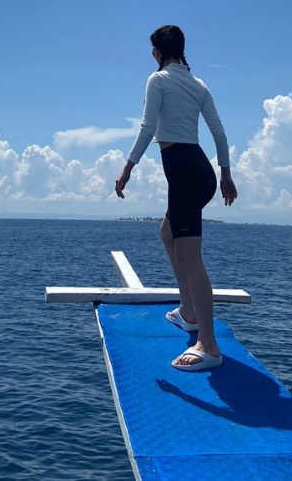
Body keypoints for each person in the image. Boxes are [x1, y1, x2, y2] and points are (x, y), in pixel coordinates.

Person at [114, 25, 237, 372]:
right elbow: (219, 133)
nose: (152, 55)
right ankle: (187, 311)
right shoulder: (199, 85)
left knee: (190, 256)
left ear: (159, 51)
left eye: (153, 49)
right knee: (167, 233)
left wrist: (127, 169)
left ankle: (208, 344)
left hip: (184, 174)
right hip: (201, 171)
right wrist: (225, 174)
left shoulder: (158, 80)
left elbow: (147, 127)